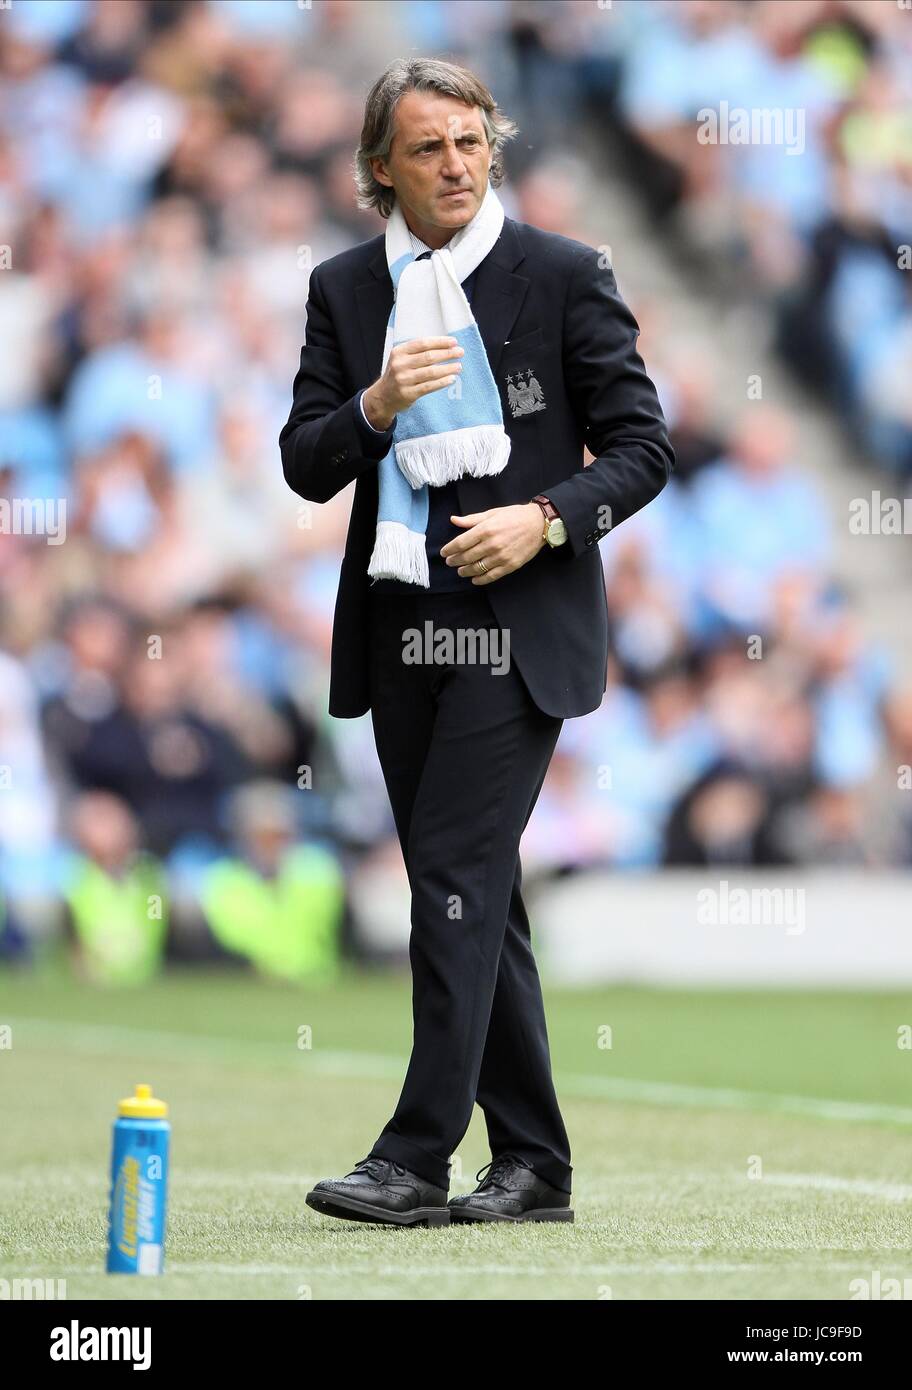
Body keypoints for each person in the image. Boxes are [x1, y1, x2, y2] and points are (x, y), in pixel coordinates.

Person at [279, 57, 674, 1226]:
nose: (455, 164)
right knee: (476, 893)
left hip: (516, 628)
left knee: (451, 876)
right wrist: (379, 406)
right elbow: (307, 460)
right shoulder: (346, 289)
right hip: (403, 626)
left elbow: (643, 447)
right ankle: (537, 1163)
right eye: (427, 148)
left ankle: (413, 1156)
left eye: (470, 141)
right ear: (379, 169)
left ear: (490, 146)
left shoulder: (563, 273)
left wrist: (546, 518)